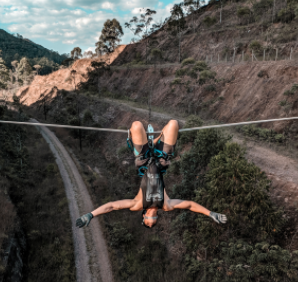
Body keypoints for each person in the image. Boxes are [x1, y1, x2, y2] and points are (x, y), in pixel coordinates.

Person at [76, 120, 227, 229]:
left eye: (150, 219)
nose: (153, 217)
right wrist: (210, 213)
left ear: (144, 214)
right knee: (174, 123)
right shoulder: (166, 205)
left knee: (136, 125)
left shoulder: (138, 204)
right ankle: (154, 142)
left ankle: (150, 144)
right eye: (155, 220)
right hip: (162, 160)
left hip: (144, 159)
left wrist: (90, 215)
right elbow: (189, 204)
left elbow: (111, 206)